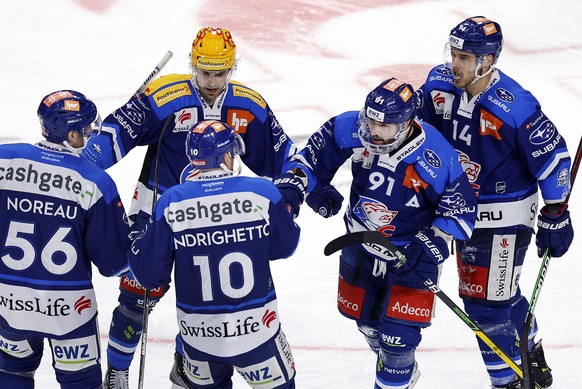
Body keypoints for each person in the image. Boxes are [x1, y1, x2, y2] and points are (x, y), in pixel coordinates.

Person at [80, 27, 308, 387]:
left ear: (232, 68)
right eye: (205, 72)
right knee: (137, 293)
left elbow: (285, 157)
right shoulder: (165, 95)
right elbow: (115, 133)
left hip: (218, 211)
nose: (213, 80)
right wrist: (85, 161)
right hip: (158, 205)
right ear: (193, 65)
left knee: (207, 289)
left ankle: (187, 360)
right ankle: (117, 370)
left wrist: (296, 189)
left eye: (221, 72)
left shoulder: (249, 105)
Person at [274, 78, 477, 388]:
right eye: (370, 119)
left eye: (385, 125)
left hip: (409, 255)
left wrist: (433, 243)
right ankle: (397, 369)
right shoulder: (352, 128)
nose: (373, 130)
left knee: (398, 340)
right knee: (367, 322)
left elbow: (460, 209)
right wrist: (297, 185)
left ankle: (397, 371)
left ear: (407, 123)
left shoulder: (434, 156)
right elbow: (311, 158)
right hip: (359, 242)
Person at [415, 16, 574, 389]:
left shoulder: (513, 106)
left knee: (485, 305)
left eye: (465, 57)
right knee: (497, 296)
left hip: (504, 214)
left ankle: (510, 383)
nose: (455, 63)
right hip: (459, 211)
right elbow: (417, 135)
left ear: (488, 61)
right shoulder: (438, 86)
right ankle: (529, 353)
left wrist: (556, 213)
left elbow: (554, 160)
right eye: (453, 53)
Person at [128, 119, 299, 388]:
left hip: (199, 340)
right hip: (258, 334)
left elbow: (149, 275)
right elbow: (284, 247)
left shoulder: (172, 201)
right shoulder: (262, 192)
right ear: (227, 155)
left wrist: (139, 241)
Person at [0, 90, 131, 388]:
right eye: (85, 130)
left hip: (8, 301)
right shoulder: (94, 182)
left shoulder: (4, 160)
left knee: (11, 373)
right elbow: (115, 264)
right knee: (80, 382)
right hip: (69, 309)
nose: (90, 135)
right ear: (71, 136)